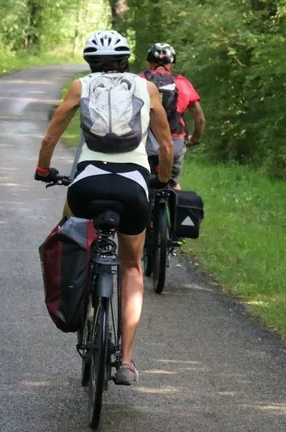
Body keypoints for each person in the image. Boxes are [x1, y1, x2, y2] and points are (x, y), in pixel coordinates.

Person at [34, 30, 174, 386]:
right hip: (132, 188)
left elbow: (51, 134)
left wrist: (42, 170)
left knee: (70, 237)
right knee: (131, 267)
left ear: (89, 62)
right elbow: (167, 146)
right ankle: (125, 361)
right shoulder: (148, 89)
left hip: (86, 186)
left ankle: (73, 297)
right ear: (126, 61)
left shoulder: (81, 87)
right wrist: (161, 178)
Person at [141, 42, 205, 190]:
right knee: (173, 184)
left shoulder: (139, 80)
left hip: (144, 143)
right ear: (171, 64)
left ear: (150, 63)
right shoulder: (182, 82)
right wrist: (194, 139)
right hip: (174, 143)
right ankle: (176, 210)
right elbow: (200, 118)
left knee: (141, 184)